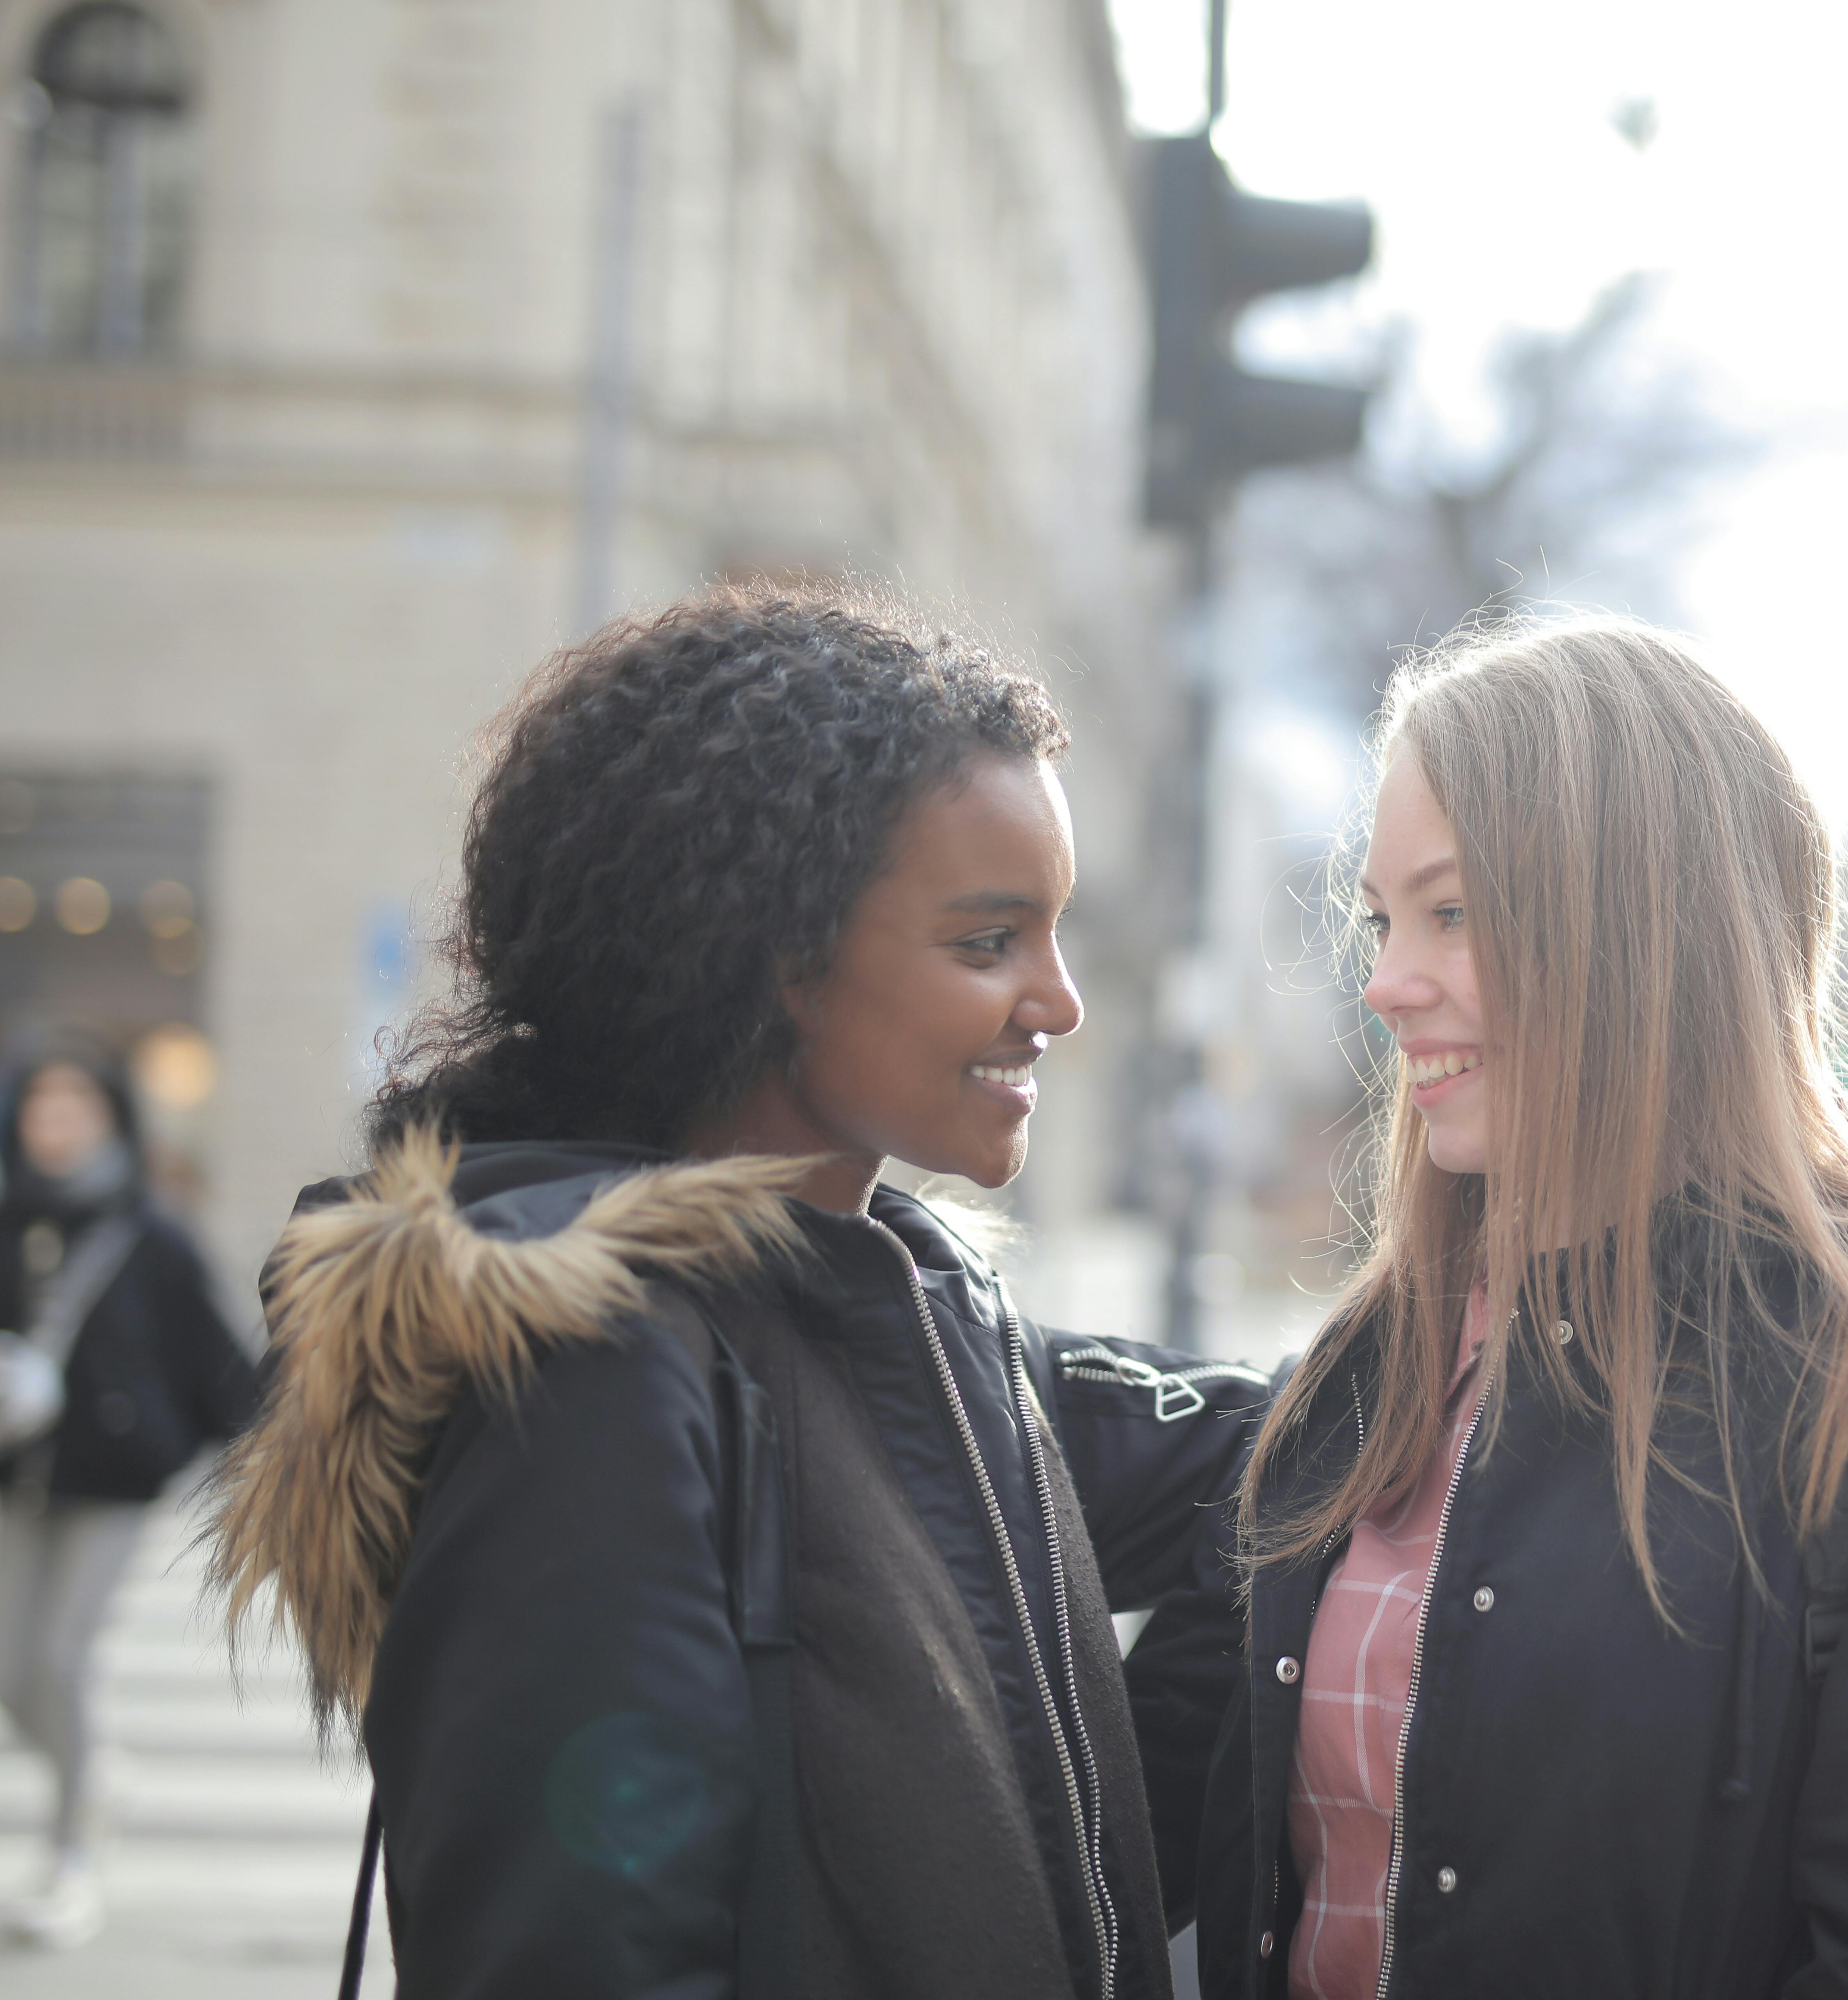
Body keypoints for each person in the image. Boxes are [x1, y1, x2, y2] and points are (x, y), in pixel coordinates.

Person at [209, 588, 1265, 2000]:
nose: (1058, 1003)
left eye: (1056, 936)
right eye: (987, 942)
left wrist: (1086, 1873)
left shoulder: (910, 1316)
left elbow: (1286, 1464)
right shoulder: (586, 1367)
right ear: (778, 958)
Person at [1195, 616, 1848, 1999]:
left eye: (1451, 913)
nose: (1388, 983)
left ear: (1635, 926)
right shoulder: (1383, 1353)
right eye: (1383, 919)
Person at [0, 1045, 257, 1948]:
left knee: (61, 1660)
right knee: (10, 1670)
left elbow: (220, 1362)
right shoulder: (6, 1217)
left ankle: (72, 1855)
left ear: (110, 1116)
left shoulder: (153, 1230)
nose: (56, 1121)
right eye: (41, 1105)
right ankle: (96, 1771)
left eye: (74, 1104)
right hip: (16, 1478)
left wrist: (264, 1465)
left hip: (111, 1482)